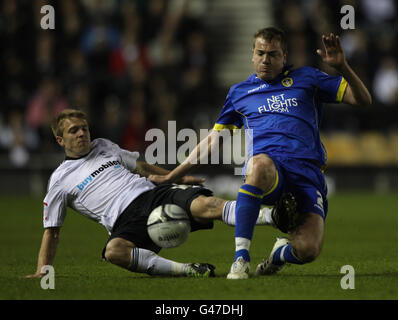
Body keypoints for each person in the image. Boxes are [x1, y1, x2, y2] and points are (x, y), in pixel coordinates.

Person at [149, 27, 372, 279]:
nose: (266, 59)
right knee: (258, 165)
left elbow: (362, 100)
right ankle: (241, 258)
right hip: (270, 171)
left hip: (307, 176)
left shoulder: (308, 78)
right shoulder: (238, 93)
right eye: (261, 53)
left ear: (284, 56)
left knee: (308, 250)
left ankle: (278, 254)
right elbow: (212, 141)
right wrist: (172, 175)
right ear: (252, 54)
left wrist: (343, 67)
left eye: (273, 54)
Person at [24, 108, 288, 279]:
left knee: (205, 205)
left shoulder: (103, 145)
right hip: (123, 221)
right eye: (74, 130)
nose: (82, 133)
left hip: (151, 194)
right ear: (60, 140)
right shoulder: (59, 181)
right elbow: (52, 230)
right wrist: (42, 271)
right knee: (114, 251)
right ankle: (188, 270)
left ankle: (273, 215)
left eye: (84, 128)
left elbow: (139, 166)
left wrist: (175, 176)